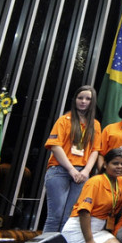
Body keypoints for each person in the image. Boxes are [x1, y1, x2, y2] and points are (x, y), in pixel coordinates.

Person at [44, 85, 101, 232]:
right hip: (60, 170)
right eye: (80, 97)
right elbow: (55, 147)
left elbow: (95, 150)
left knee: (69, 217)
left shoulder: (95, 124)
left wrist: (86, 171)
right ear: (74, 99)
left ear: (92, 102)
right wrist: (71, 170)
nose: (83, 101)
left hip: (82, 174)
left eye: (88, 99)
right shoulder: (64, 120)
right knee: (54, 216)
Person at [60, 147, 122, 243]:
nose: (119, 167)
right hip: (81, 227)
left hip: (100, 228)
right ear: (105, 165)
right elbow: (84, 212)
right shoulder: (95, 182)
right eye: (115, 163)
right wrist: (89, 240)